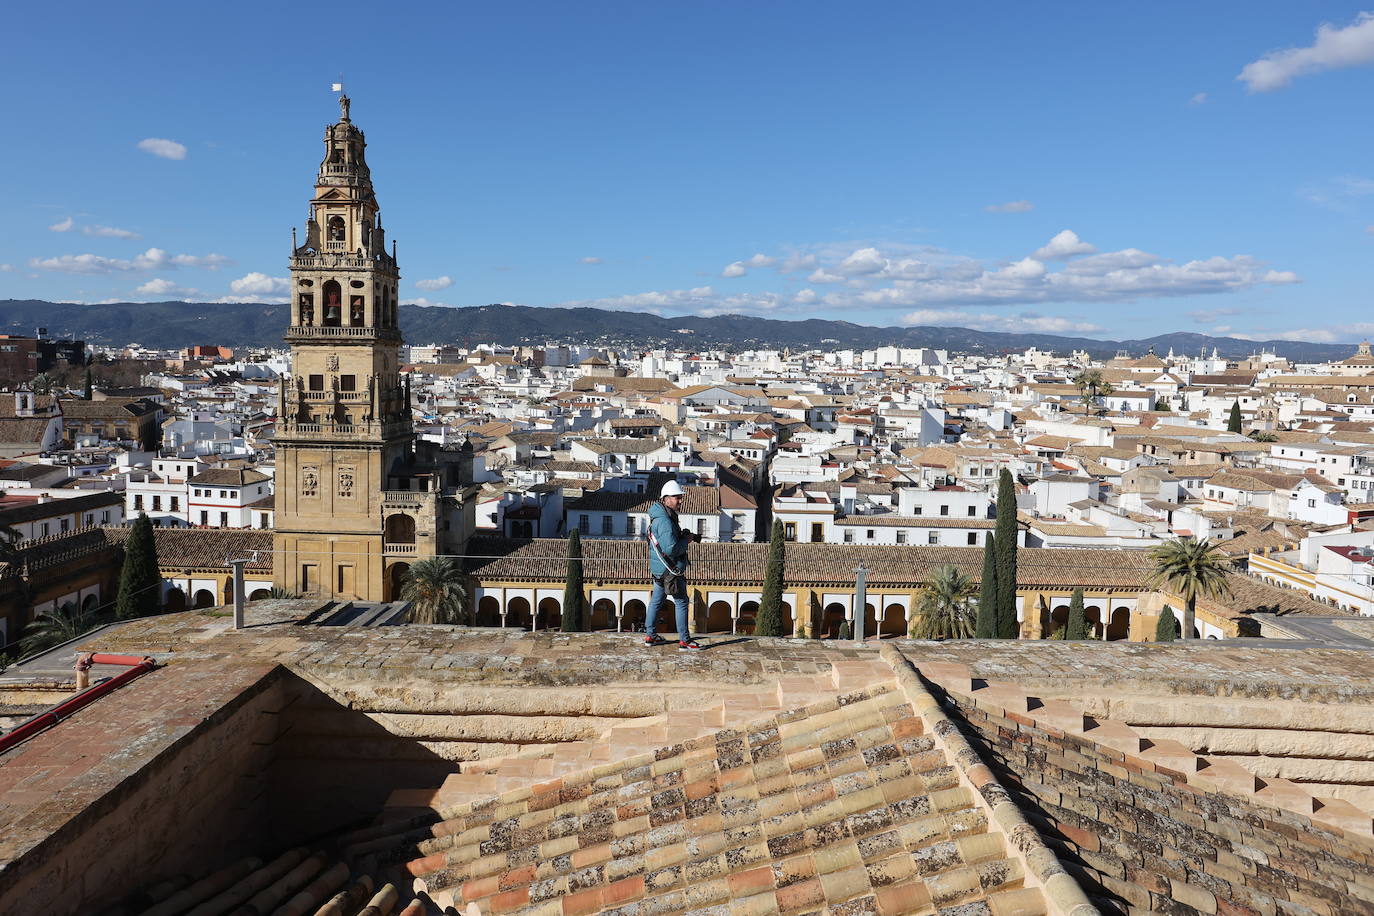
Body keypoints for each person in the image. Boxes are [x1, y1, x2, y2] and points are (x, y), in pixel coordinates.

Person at [644, 480, 701, 650]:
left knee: (656, 601)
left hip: (659, 569)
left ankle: (650, 636)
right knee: (682, 602)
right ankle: (684, 640)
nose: (680, 501)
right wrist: (687, 540)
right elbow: (672, 549)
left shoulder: (660, 516)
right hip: (670, 570)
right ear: (666, 499)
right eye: (677, 497)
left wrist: (681, 535)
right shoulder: (665, 521)